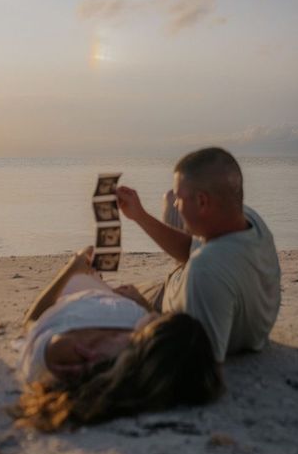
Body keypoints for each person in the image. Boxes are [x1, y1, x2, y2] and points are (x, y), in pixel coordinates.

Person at [13, 246, 224, 432]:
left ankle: (84, 271)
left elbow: (31, 323)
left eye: (160, 321)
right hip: (108, 297)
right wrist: (142, 303)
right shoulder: (136, 344)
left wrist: (71, 268)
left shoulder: (73, 351)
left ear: (151, 337)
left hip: (76, 290)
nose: (158, 316)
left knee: (87, 269)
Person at [116, 147, 281, 364]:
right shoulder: (250, 220)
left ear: (203, 202)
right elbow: (190, 248)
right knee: (167, 198)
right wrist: (140, 216)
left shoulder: (206, 269)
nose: (177, 202)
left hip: (174, 299)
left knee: (104, 297)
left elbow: (199, 359)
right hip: (207, 284)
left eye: (181, 198)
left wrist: (142, 307)